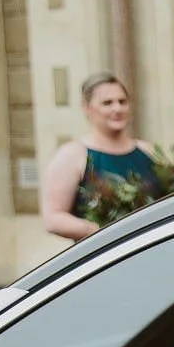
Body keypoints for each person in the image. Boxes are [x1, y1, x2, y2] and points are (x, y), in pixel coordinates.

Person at [39, 72, 162, 241]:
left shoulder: (148, 151)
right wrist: (102, 231)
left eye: (122, 102)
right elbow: (53, 219)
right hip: (106, 257)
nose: (117, 109)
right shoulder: (73, 155)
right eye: (107, 103)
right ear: (86, 107)